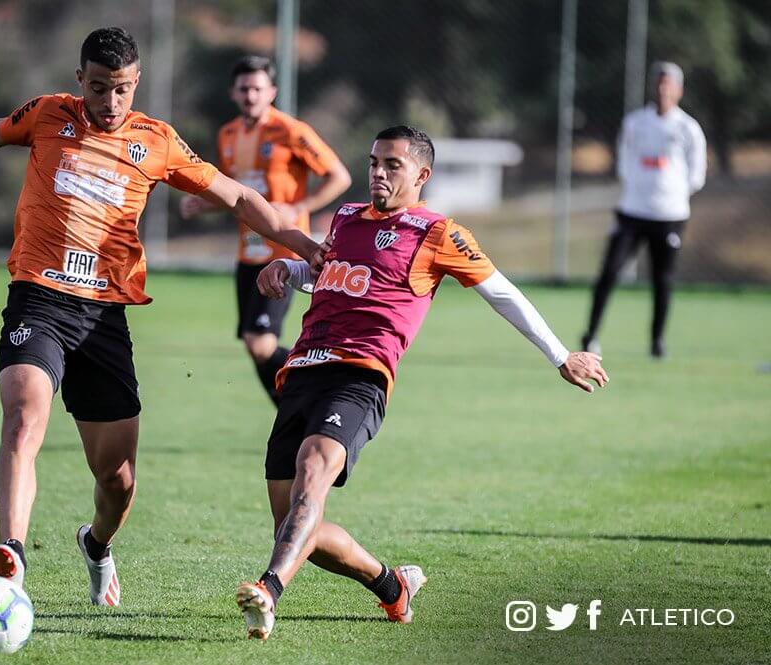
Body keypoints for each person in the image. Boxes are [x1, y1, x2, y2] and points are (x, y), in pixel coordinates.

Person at [0, 27, 317, 605]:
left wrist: (299, 243)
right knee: (22, 417)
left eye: (121, 91)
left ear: (135, 83)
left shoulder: (156, 141)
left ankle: (97, 542)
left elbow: (236, 197)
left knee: (116, 482)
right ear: (78, 80)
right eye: (97, 88)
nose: (109, 104)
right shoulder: (47, 115)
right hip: (37, 296)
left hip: (103, 316)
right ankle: (10, 554)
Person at [234, 126, 609, 640]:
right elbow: (327, 274)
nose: (378, 173)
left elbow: (503, 294)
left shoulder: (437, 233)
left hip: (361, 376)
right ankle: (392, 586)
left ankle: (268, 590)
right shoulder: (345, 218)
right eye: (373, 162)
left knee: (312, 471)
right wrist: (285, 268)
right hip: (302, 370)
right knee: (297, 528)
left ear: (421, 175)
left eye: (392, 165)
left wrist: (560, 355)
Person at [180, 56, 350, 404]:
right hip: (249, 251)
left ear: (272, 91)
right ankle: (294, 409)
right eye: (244, 89)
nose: (251, 95)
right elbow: (237, 193)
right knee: (252, 341)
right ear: (233, 92)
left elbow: (340, 176)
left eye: (258, 88)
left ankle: (317, 391)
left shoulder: (291, 131)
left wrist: (300, 207)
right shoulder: (227, 135)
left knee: (261, 342)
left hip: (285, 252)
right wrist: (204, 202)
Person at [582, 61, 707, 359]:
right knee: (609, 272)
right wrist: (639, 189)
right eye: (659, 83)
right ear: (654, 87)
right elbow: (625, 161)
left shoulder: (687, 128)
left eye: (669, 84)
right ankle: (590, 336)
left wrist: (671, 196)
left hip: (669, 216)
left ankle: (657, 341)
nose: (663, 89)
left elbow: (696, 174)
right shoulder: (636, 122)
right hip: (632, 212)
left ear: (679, 89)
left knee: (662, 279)